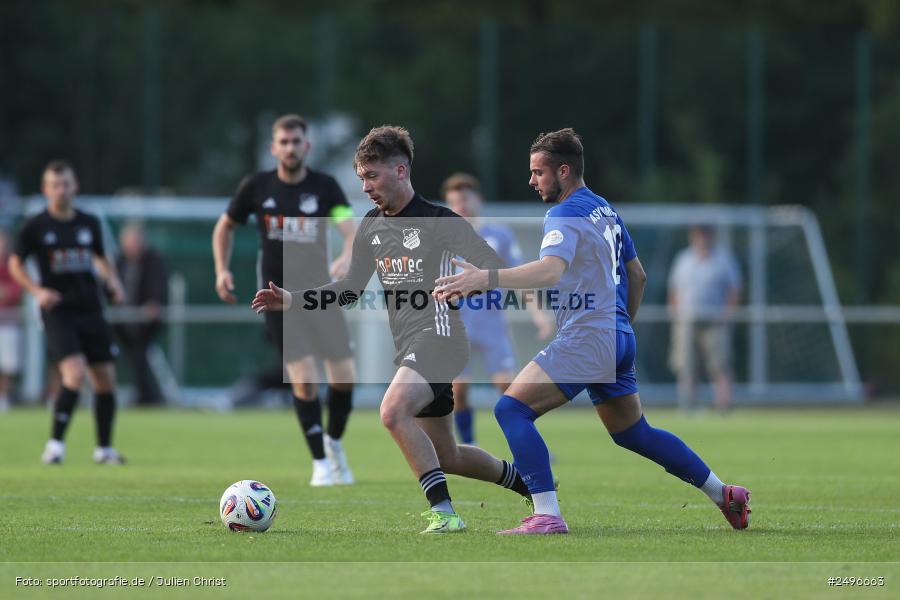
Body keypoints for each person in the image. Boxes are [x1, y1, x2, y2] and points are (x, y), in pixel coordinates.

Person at [434, 129, 751, 534]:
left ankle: (547, 513)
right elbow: (638, 275)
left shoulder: (564, 213)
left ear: (563, 171)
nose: (532, 180)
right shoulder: (605, 211)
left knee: (510, 409)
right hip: (617, 337)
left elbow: (550, 269)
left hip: (588, 336)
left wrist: (485, 278)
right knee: (634, 433)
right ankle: (724, 493)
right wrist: (620, 329)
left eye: (538, 172)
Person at [252, 126, 535, 533]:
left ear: (400, 170)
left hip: (440, 339)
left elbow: (493, 266)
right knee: (449, 455)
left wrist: (470, 284)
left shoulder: (440, 221)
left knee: (391, 411)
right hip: (410, 347)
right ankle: (534, 486)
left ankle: (444, 513)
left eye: (372, 176)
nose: (365, 186)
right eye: (361, 177)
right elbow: (349, 290)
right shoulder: (371, 226)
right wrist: (293, 299)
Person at [213, 114, 357, 486]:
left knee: (344, 377)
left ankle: (334, 442)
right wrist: (221, 270)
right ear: (273, 147)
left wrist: (345, 254)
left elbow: (348, 227)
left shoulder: (324, 187)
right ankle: (321, 463)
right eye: (284, 142)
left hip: (320, 295)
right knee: (304, 380)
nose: (291, 148)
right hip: (277, 297)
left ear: (306, 146)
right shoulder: (256, 187)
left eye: (297, 141)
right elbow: (225, 226)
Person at [8, 160, 126, 464]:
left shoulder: (89, 222)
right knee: (73, 374)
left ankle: (104, 449)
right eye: (55, 185)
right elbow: (15, 263)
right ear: (45, 189)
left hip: (91, 307)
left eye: (66, 184)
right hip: (59, 310)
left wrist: (113, 282)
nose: (61, 190)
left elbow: (100, 258)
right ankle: (55, 446)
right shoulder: (36, 226)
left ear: (75, 187)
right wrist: (37, 291)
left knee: (105, 380)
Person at [440, 173, 553, 444]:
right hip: (456, 325)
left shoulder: (499, 235)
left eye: (465, 199)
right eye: (454, 201)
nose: (461, 206)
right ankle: (469, 445)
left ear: (478, 200)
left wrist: (539, 314)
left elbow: (518, 276)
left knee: (510, 389)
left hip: (491, 325)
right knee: (458, 390)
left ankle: (530, 445)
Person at [667, 225, 742, 412]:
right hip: (687, 320)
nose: (703, 239)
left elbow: (734, 289)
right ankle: (687, 406)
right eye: (699, 235)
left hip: (715, 321)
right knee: (686, 366)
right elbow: (674, 290)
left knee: (720, 364)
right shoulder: (683, 259)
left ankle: (724, 406)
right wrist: (676, 315)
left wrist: (727, 315)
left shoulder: (723, 259)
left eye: (706, 235)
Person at [114, 222, 169, 406]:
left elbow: (158, 287)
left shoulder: (153, 260)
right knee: (131, 358)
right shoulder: (118, 262)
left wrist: (154, 304)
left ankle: (147, 397)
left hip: (145, 323)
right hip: (121, 322)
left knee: (140, 357)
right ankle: (145, 396)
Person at [0, 230, 23, 411]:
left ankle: (3, 397)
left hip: (8, 323)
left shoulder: (12, 264)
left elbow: (15, 291)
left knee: (8, 364)